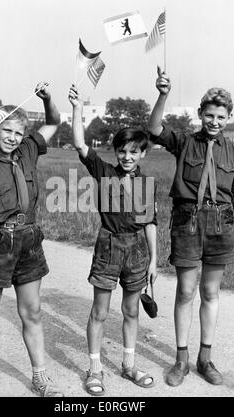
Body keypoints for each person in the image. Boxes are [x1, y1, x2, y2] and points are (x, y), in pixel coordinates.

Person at [0, 82, 63, 397]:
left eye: (18, 133)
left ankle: (40, 377)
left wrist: (47, 99)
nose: (13, 138)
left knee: (31, 312)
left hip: (29, 242)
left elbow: (54, 122)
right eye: (7, 132)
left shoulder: (29, 150)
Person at [148, 67, 234, 386]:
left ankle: (206, 358)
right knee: (186, 291)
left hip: (222, 225)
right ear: (200, 114)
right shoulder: (185, 142)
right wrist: (163, 94)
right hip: (188, 222)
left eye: (221, 116)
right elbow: (154, 129)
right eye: (209, 115)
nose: (214, 122)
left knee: (210, 291)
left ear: (228, 116)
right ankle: (181, 360)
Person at [68, 85, 157, 396]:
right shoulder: (104, 171)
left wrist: (154, 261)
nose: (127, 156)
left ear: (144, 153)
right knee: (100, 312)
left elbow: (150, 223)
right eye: (122, 150)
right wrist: (78, 108)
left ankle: (129, 365)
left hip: (137, 252)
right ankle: (95, 370)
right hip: (109, 247)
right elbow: (79, 144)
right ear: (115, 151)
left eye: (134, 151)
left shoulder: (146, 182)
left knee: (131, 311)